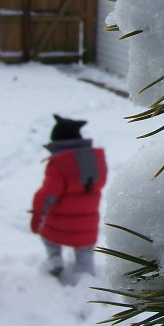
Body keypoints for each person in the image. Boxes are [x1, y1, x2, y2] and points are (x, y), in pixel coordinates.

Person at [30, 115, 107, 283]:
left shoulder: (59, 164)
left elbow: (47, 194)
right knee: (84, 250)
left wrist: (37, 216)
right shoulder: (97, 159)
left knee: (49, 240)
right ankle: (87, 279)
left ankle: (55, 261)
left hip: (59, 221)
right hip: (87, 222)